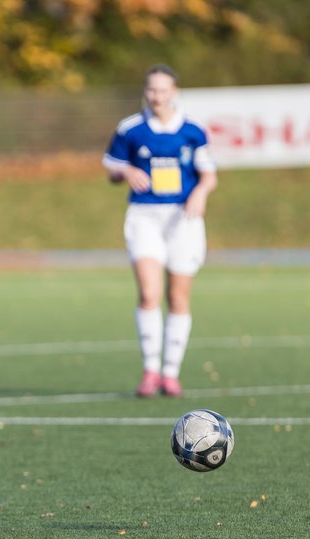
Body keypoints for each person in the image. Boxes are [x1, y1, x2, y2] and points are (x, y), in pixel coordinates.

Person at [102, 64, 218, 398]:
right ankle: (151, 370)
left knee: (178, 295)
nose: (157, 96)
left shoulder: (193, 131)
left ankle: (171, 373)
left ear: (175, 92)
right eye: (152, 89)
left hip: (183, 218)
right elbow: (111, 168)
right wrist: (125, 171)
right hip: (145, 216)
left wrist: (199, 193)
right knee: (149, 293)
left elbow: (208, 175)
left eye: (163, 90)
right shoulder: (131, 129)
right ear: (145, 91)